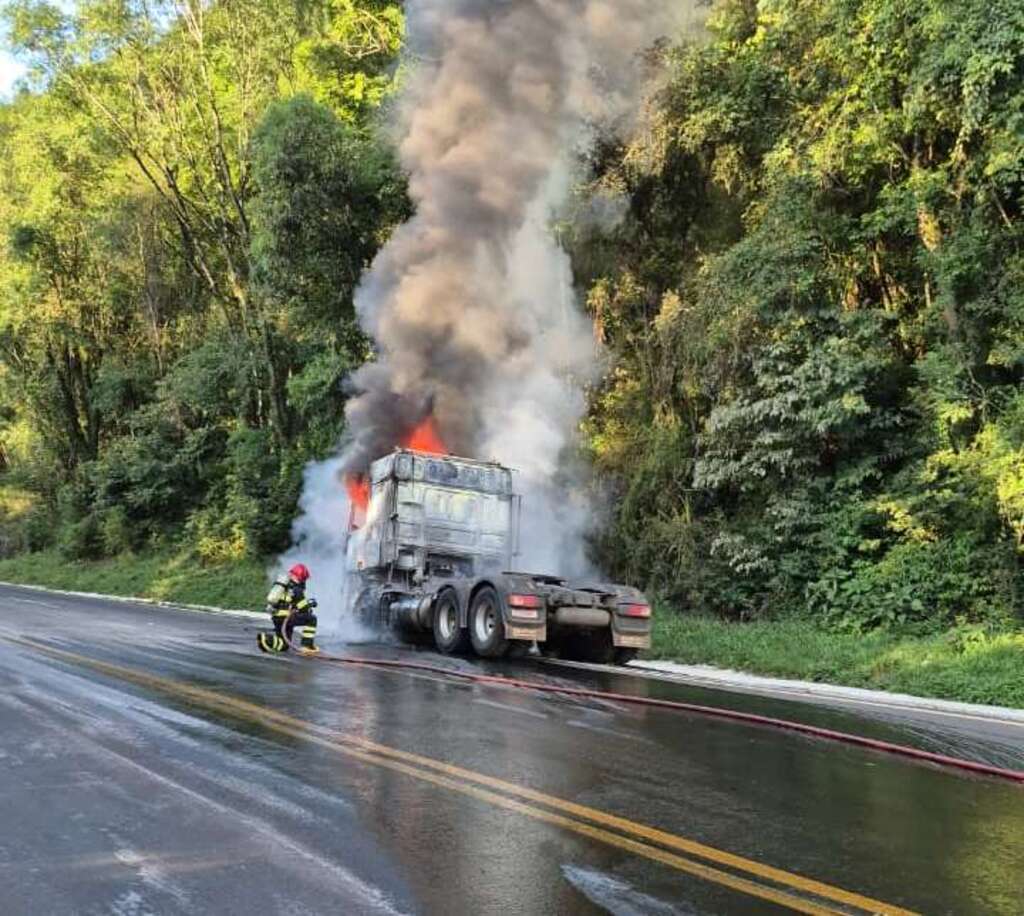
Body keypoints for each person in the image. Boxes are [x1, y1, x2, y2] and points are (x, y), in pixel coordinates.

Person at [257, 563, 319, 654]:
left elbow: (288, 602)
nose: (304, 582)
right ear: (301, 578)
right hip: (287, 618)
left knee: (284, 645)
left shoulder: (283, 586)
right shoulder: (296, 589)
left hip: (277, 617)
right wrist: (311, 604)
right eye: (304, 579)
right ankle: (307, 645)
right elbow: (303, 607)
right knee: (312, 619)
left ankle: (266, 640)